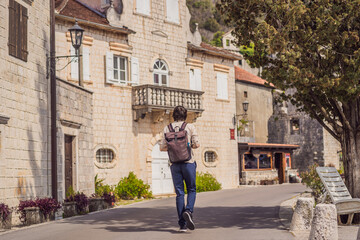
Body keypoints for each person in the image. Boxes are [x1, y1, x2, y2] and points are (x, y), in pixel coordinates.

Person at [160, 106, 200, 232]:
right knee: (191, 189)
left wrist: (173, 147)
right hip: (188, 162)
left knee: (179, 193)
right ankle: (188, 210)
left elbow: (162, 147)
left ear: (173, 116)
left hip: (174, 164)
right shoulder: (190, 127)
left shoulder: (167, 128)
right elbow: (197, 144)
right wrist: (189, 146)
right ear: (185, 115)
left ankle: (182, 225)